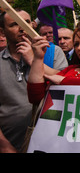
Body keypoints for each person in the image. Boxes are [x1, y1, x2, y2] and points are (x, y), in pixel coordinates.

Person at [0, 9, 58, 152]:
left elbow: (65, 81)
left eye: (25, 22)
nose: (21, 28)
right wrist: (4, 145)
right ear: (2, 32)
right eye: (14, 24)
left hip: (51, 142)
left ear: (33, 25)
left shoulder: (52, 52)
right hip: (11, 144)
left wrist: (34, 60)